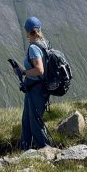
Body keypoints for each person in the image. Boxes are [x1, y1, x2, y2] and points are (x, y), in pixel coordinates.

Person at [13, 16, 52, 151]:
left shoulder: (34, 47)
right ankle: (24, 149)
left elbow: (39, 70)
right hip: (37, 89)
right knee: (27, 120)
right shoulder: (44, 43)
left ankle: (46, 150)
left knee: (35, 122)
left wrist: (23, 72)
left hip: (36, 90)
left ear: (27, 31)